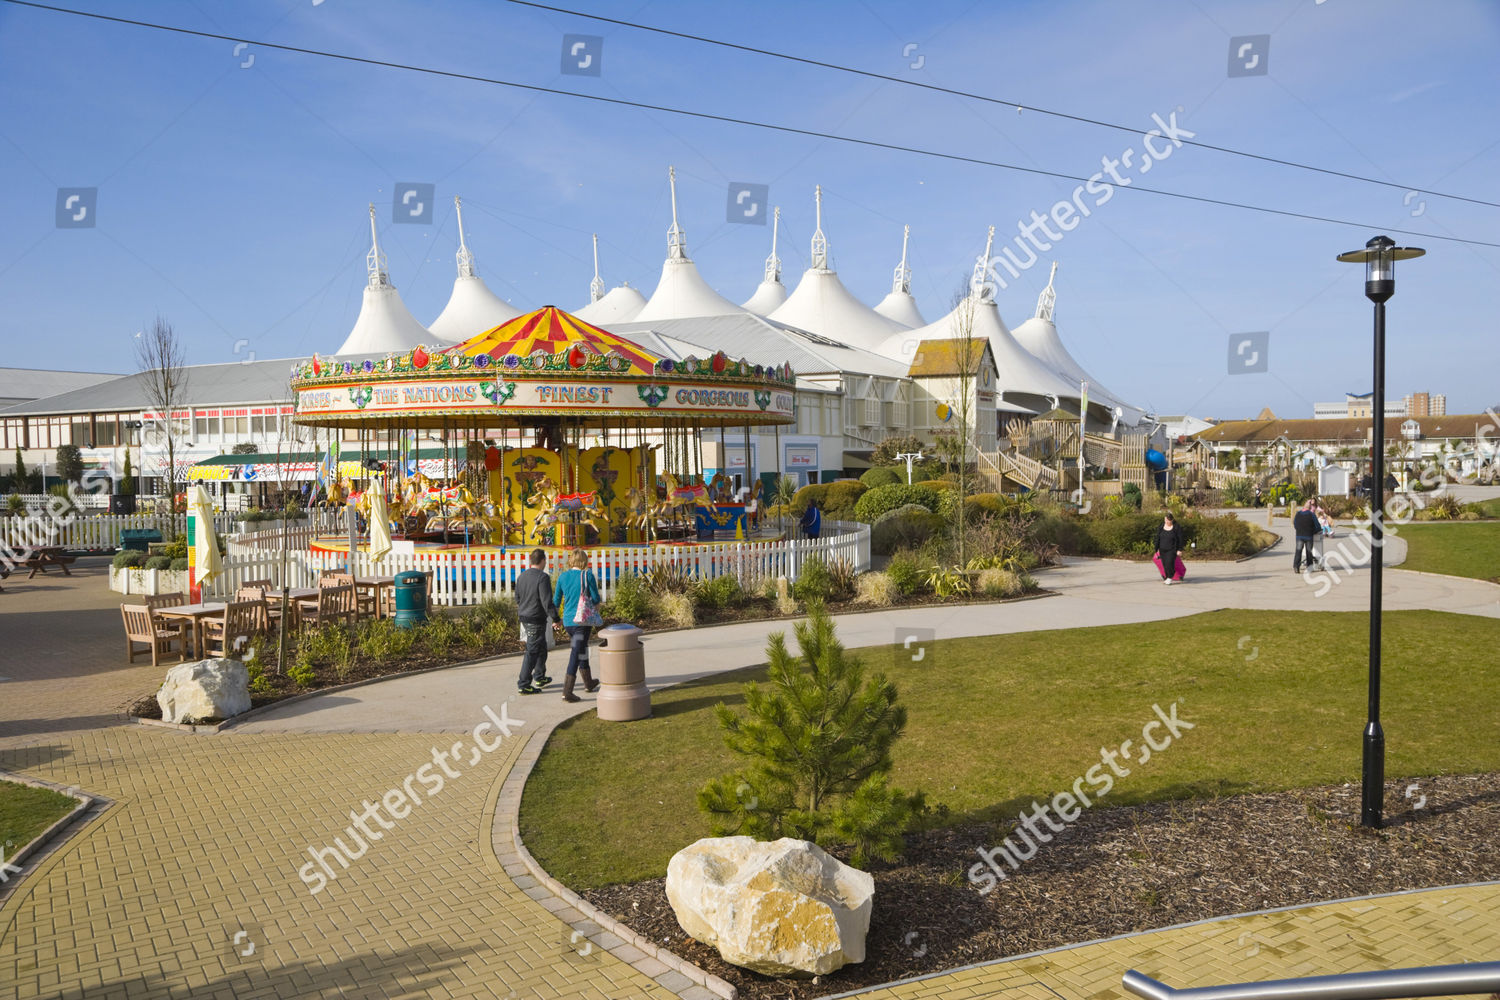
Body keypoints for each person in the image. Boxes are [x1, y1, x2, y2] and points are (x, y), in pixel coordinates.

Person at [553, 549, 603, 703]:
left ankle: (588, 682)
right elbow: (595, 598)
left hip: (568, 621)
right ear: (584, 561)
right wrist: (596, 604)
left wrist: (556, 619)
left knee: (582, 648)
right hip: (582, 620)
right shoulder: (587, 575)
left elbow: (555, 601)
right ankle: (567, 691)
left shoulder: (563, 576)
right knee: (576, 651)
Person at [514, 548, 558, 695]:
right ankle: (524, 683)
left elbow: (518, 598)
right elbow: (547, 601)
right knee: (532, 651)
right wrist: (556, 618)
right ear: (543, 561)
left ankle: (539, 676)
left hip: (524, 617)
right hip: (535, 618)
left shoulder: (522, 576)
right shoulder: (542, 577)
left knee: (541, 647)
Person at [1154, 512, 1185, 584]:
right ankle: (1168, 577)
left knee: (1169, 563)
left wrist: (1180, 549)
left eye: (1168, 520)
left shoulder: (1176, 527)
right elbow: (1157, 537)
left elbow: (1180, 539)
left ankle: (1169, 577)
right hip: (1162, 549)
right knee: (1165, 564)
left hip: (1172, 549)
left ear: (1172, 520)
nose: (1167, 522)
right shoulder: (1161, 526)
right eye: (1166, 520)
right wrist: (1157, 548)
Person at [1292, 499, 1321, 573]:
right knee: (1309, 552)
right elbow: (1317, 526)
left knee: (1298, 551)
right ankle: (1309, 568)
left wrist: (1298, 530)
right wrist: (1314, 531)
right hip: (1309, 536)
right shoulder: (1311, 514)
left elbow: (1295, 524)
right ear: (1310, 507)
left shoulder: (1298, 514)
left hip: (1299, 536)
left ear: (1303, 506)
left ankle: (1296, 566)